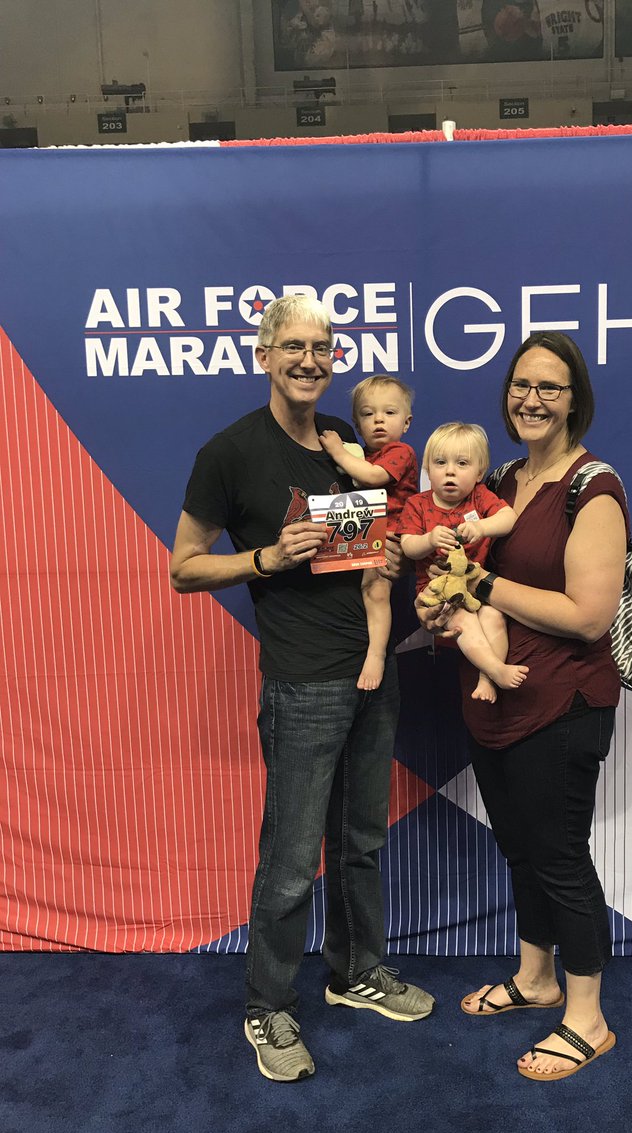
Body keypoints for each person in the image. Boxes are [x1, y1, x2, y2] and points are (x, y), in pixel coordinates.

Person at [170, 295, 434, 1085]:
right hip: (301, 683)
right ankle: (267, 1006)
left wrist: (389, 558)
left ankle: (355, 973)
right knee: (290, 860)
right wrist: (266, 559)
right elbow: (184, 566)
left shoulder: (344, 440)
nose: (309, 360)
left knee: (360, 841)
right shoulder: (228, 452)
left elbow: (367, 543)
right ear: (264, 356)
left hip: (371, 670)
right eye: (293, 346)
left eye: (322, 347)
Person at [416, 333, 628, 1081]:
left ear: (574, 400)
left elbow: (589, 617)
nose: (531, 400)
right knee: (520, 848)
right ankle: (536, 978)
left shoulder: (593, 487)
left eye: (549, 387)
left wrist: (477, 585)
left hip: (562, 704)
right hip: (495, 702)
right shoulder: (502, 477)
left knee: (560, 856)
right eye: (521, 386)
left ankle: (588, 1016)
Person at [398, 421, 528, 702]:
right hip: (437, 591)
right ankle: (495, 669)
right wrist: (429, 539)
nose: (450, 471)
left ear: (479, 473)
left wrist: (482, 527)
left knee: (494, 617)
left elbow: (508, 518)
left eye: (462, 463)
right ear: (427, 470)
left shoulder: (479, 497)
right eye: (440, 462)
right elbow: (408, 547)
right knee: (462, 620)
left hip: (475, 587)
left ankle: (487, 677)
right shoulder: (418, 504)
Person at [318, 374, 418, 691]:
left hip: (392, 535)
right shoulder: (362, 454)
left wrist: (338, 452)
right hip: (364, 534)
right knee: (362, 590)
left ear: (406, 422)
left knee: (376, 591)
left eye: (389, 412)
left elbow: (373, 477)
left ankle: (376, 655)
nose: (378, 420)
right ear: (357, 424)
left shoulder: (401, 451)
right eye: (367, 413)